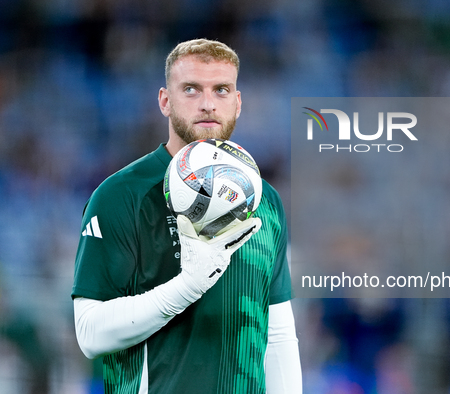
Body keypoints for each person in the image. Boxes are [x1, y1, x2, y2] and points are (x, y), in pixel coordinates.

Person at [72, 38, 302, 393]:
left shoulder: (265, 200)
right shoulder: (121, 195)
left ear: (238, 103)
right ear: (165, 100)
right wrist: (185, 288)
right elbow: (89, 334)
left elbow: (279, 332)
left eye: (221, 90)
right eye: (192, 89)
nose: (208, 104)